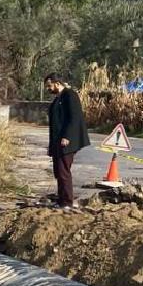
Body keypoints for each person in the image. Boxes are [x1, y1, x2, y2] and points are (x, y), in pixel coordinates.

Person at [44, 73, 89, 209]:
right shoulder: (59, 98)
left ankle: (67, 202)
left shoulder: (70, 95)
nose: (48, 89)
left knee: (63, 171)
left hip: (67, 141)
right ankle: (61, 200)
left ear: (57, 83)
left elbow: (74, 118)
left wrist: (67, 136)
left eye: (49, 86)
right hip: (58, 141)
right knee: (58, 171)